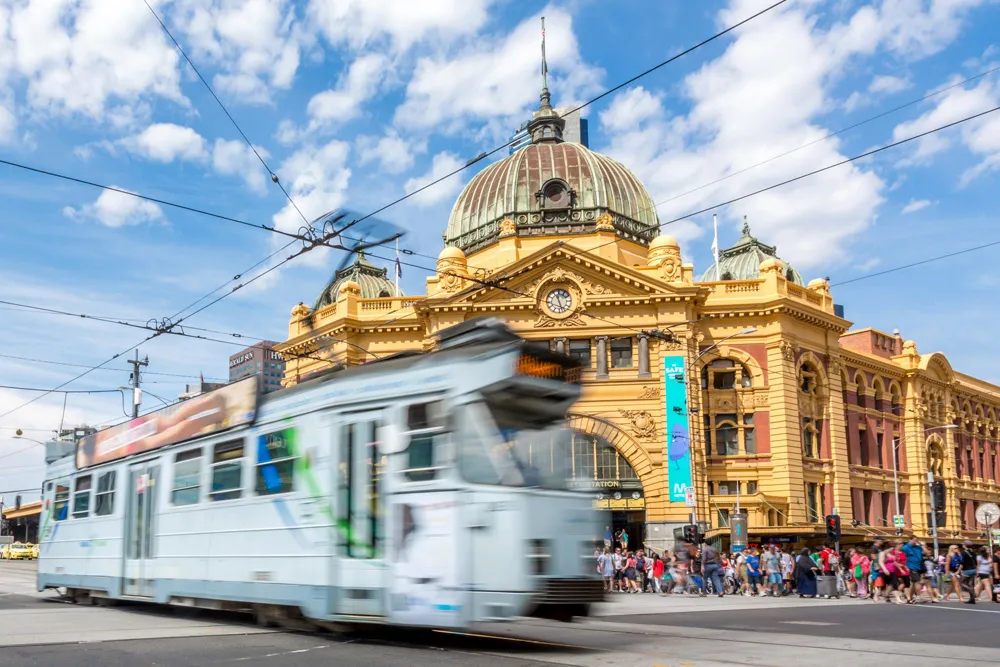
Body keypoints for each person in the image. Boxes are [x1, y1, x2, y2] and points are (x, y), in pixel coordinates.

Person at [901, 536, 926, 603]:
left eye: (916, 540)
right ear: (910, 540)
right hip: (911, 566)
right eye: (914, 540)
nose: (915, 542)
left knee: (913, 583)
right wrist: (905, 566)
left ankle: (909, 597)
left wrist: (922, 545)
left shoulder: (918, 547)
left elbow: (925, 553)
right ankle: (918, 596)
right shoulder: (906, 547)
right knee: (917, 581)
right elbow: (902, 556)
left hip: (919, 567)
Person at [959, 540, 978, 604]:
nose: (962, 545)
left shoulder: (963, 552)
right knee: (971, 584)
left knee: (962, 583)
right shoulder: (973, 552)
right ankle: (972, 599)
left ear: (965, 546)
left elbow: (962, 563)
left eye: (963, 544)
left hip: (966, 570)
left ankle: (971, 592)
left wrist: (958, 571)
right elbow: (976, 562)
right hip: (973, 570)